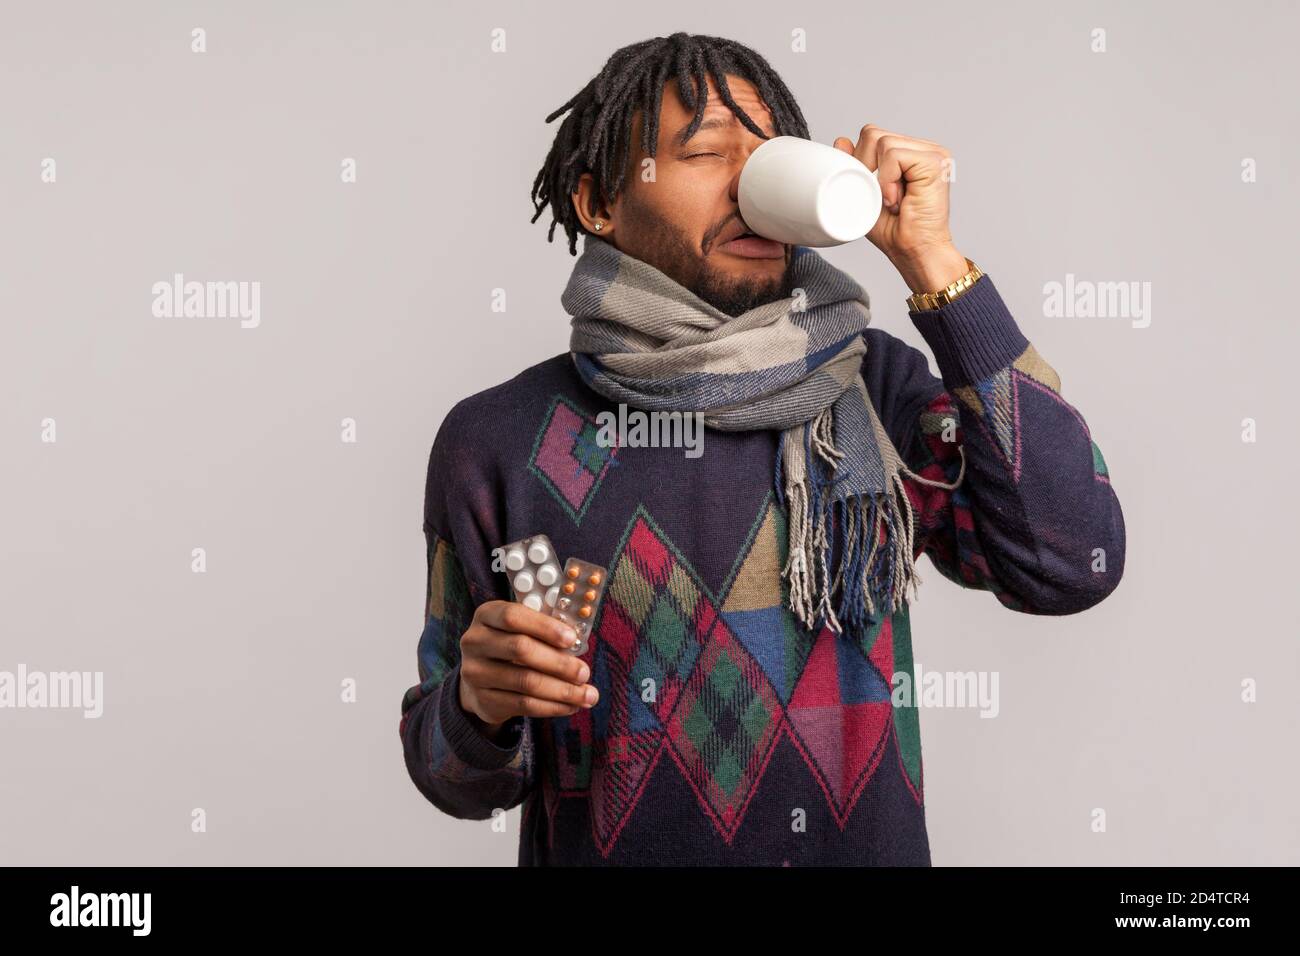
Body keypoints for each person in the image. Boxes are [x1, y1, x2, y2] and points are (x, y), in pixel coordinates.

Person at [399, 31, 1126, 865]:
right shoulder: (500, 439)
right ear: (600, 202)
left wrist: (935, 264)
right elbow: (454, 773)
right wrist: (477, 705)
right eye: (706, 152)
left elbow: (1075, 561)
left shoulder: (869, 388)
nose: (750, 188)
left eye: (770, 157)